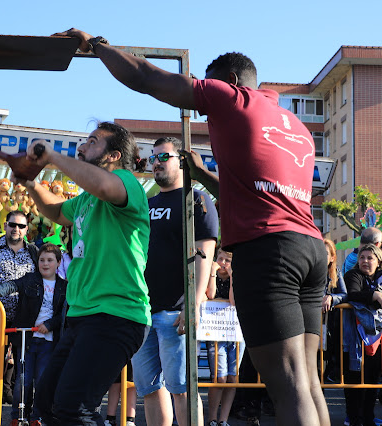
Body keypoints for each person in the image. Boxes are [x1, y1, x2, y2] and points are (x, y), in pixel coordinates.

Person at [55, 29, 329, 425]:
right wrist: (202, 175)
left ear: (231, 83)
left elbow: (146, 78)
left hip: (269, 252)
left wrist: (97, 45)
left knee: (286, 385)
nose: (203, 110)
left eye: (210, 85)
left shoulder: (233, 100)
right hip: (310, 248)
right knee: (307, 383)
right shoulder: (296, 127)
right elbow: (258, 196)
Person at [15, 121, 150, 425]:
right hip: (80, 315)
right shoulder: (86, 199)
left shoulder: (127, 183)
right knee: (47, 404)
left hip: (116, 315)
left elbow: (103, 185)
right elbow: (56, 212)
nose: (82, 147)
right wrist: (32, 184)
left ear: (114, 155)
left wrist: (51, 156)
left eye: (92, 142)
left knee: (75, 409)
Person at [131, 136, 217, 426]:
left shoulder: (197, 199)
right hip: (142, 311)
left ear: (182, 161)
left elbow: (206, 251)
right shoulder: (147, 203)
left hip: (176, 311)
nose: (157, 162)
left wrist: (193, 302)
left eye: (164, 156)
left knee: (181, 389)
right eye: (154, 157)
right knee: (150, 389)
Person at [0, 243, 67, 426]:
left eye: (50, 260)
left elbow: (63, 315)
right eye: (41, 260)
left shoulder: (64, 287)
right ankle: (18, 415)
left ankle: (39, 416)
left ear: (58, 263)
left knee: (42, 379)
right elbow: (10, 286)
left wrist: (49, 325)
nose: (45, 264)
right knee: (23, 380)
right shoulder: (30, 280)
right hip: (27, 340)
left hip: (48, 341)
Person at [0, 210, 39, 426]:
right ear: (5, 224)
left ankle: (24, 415)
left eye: (21, 226)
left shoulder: (33, 251)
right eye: (13, 224)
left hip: (24, 320)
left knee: (24, 369)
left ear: (26, 229)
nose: (16, 229)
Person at [343, 244, 382, 426]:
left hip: (380, 337)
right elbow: (353, 294)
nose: (365, 261)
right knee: (354, 378)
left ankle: (368, 418)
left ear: (379, 260)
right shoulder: (352, 275)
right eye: (362, 257)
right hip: (355, 337)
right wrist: (375, 295)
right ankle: (354, 419)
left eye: (369, 258)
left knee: (372, 378)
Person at [206, 248, 243, 426]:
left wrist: (233, 276)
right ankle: (212, 418)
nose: (222, 263)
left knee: (232, 377)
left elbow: (234, 301)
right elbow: (211, 295)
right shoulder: (210, 275)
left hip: (235, 332)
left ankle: (223, 419)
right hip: (216, 331)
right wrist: (212, 272)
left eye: (226, 261)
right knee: (219, 377)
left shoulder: (235, 278)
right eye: (219, 259)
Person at [321, 239, 347, 384]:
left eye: (325, 253)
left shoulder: (335, 273)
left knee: (325, 365)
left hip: (329, 327)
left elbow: (344, 295)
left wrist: (331, 297)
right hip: (310, 325)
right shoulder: (309, 271)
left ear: (332, 257)